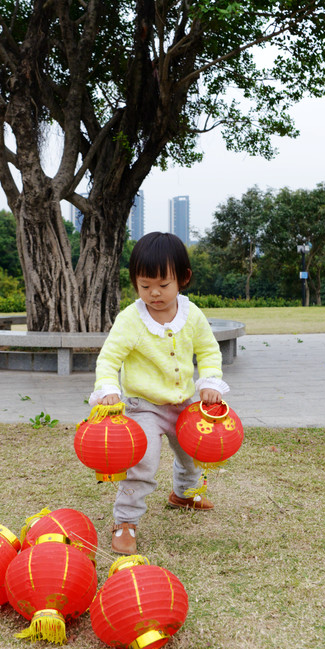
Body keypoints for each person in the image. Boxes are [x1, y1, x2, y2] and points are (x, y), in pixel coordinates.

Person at [88, 231, 229, 555]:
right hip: (143, 407)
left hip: (185, 405)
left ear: (183, 279)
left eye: (163, 285)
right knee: (143, 463)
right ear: (134, 283)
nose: (154, 293)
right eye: (144, 285)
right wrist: (108, 389)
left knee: (192, 456)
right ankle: (125, 521)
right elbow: (109, 359)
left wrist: (209, 381)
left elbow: (208, 352)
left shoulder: (192, 316)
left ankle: (184, 493)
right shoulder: (130, 320)